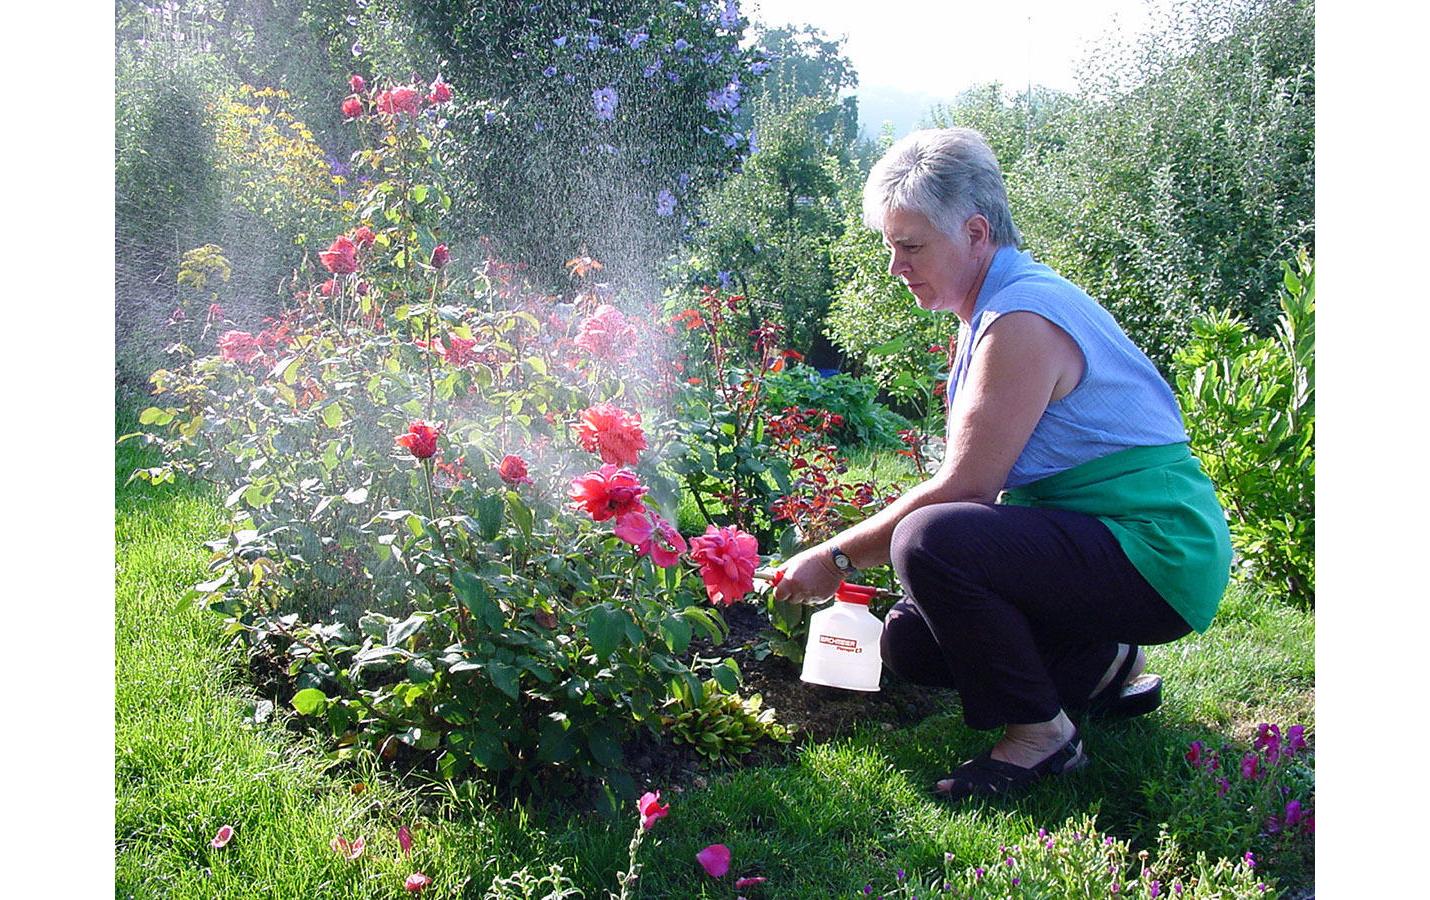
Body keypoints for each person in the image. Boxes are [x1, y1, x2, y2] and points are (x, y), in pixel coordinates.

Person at [772, 128, 1232, 802]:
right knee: (912, 640)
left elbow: (969, 490)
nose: (896, 267)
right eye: (890, 246)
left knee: (930, 541)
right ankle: (1101, 665)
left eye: (911, 246)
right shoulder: (992, 306)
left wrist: (836, 558)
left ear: (977, 233)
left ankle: (1041, 737)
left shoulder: (1020, 318)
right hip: (1105, 539)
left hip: (1159, 550)